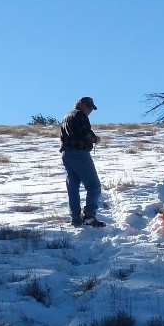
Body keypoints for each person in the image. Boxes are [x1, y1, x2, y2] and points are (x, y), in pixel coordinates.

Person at [59, 96, 105, 228]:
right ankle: (89, 216)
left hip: (66, 155)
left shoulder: (66, 116)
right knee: (94, 186)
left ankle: (75, 220)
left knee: (73, 189)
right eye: (89, 107)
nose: (90, 110)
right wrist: (96, 139)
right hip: (79, 154)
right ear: (82, 105)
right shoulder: (80, 115)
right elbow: (86, 134)